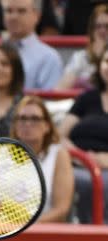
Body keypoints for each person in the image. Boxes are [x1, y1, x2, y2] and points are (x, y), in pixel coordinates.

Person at [0, 0, 63, 90]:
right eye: (8, 11)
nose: (14, 17)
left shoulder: (49, 58)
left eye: (21, 11)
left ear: (37, 15)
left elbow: (48, 105)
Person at [59, 45, 108, 223]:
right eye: (106, 61)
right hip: (74, 162)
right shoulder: (86, 99)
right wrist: (80, 156)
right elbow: (59, 136)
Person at [10, 96, 74, 223]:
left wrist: (24, 228)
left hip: (43, 234)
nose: (28, 124)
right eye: (22, 118)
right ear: (15, 125)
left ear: (47, 126)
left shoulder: (59, 155)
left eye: (35, 119)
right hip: (1, 231)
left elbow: (61, 210)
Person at [56, 4, 108, 90]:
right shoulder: (80, 57)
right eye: (98, 26)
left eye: (107, 26)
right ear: (91, 30)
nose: (102, 31)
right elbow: (59, 89)